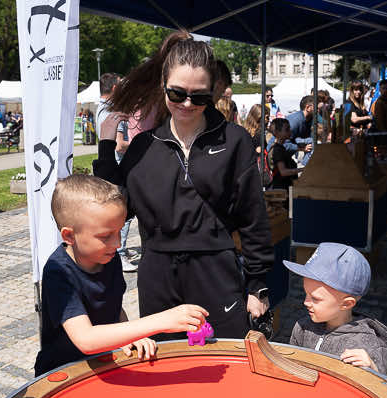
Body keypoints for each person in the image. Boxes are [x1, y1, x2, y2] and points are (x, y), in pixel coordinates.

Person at [96, 32, 273, 339]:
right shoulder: (143, 146)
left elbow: (252, 216)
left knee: (224, 367)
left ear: (213, 92)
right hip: (159, 278)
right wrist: (105, 147)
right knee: (166, 372)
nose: (188, 104)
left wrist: (258, 284)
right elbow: (115, 208)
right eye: (177, 93)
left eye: (200, 96)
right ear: (163, 85)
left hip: (217, 273)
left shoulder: (234, 141)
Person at [35, 175, 209, 374]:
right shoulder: (58, 272)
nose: (117, 244)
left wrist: (130, 335)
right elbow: (86, 339)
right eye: (105, 236)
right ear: (69, 235)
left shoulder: (107, 257)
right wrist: (161, 321)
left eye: (119, 232)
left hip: (103, 365)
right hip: (63, 374)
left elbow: (114, 307)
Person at [283, 243, 387, 374]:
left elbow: (381, 392)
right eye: (305, 293)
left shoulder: (369, 346)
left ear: (346, 304)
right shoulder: (302, 327)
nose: (305, 302)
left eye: (315, 298)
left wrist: (373, 371)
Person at [96, 72, 136, 272]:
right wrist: (141, 143)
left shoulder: (99, 109)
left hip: (109, 165)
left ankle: (119, 252)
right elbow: (119, 146)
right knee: (123, 213)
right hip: (118, 166)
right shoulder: (114, 113)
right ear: (114, 88)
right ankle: (119, 253)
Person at [267, 118, 302, 190]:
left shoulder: (280, 148)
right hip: (281, 190)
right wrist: (302, 169)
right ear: (277, 132)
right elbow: (283, 172)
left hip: (283, 187)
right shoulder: (277, 150)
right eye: (287, 129)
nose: (290, 131)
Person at [285, 95, 316, 165]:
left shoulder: (309, 119)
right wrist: (300, 148)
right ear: (308, 107)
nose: (318, 110)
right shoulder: (294, 121)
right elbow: (283, 144)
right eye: (316, 108)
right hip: (276, 157)